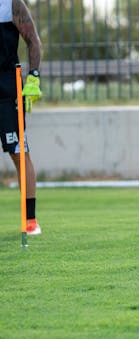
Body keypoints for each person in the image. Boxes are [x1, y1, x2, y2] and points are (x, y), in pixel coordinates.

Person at [0, 0, 43, 235]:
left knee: (18, 152)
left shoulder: (10, 3)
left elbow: (33, 40)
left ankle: (30, 220)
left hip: (7, 87)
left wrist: (34, 77)